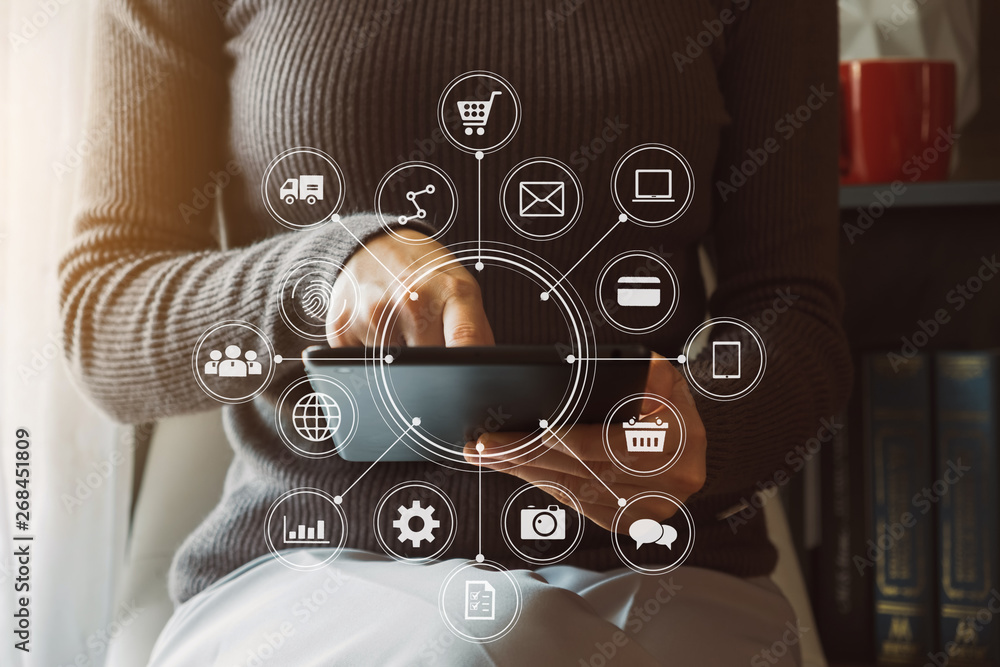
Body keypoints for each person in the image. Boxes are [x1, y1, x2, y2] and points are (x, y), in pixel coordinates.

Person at [59, 1, 850, 664]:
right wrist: (325, 272)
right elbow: (104, 314)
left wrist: (713, 428)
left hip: (661, 569)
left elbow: (796, 311)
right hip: (310, 567)